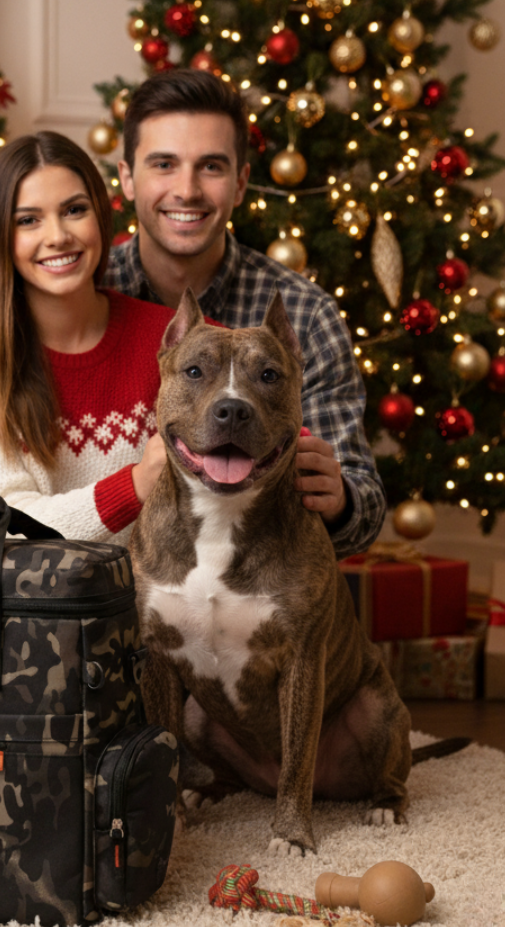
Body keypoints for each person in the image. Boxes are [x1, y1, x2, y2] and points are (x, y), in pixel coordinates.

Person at [103, 68, 386, 559]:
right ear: (127, 178)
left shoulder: (304, 313)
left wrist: (340, 499)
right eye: (164, 164)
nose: (187, 190)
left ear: (240, 183)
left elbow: (364, 501)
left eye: (211, 167)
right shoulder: (90, 294)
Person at [0, 131, 178, 542]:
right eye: (28, 220)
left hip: (126, 596)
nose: (58, 236)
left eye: (74, 210)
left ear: (100, 214)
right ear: (0, 238)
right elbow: (1, 528)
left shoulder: (168, 339)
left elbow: (258, 413)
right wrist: (134, 485)